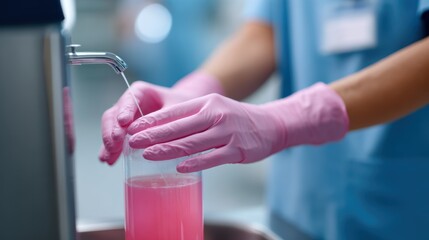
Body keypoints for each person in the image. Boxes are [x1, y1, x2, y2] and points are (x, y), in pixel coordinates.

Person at [99, 0, 429, 239]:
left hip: (401, 210)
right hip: (298, 207)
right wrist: (195, 90)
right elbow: (266, 30)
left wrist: (289, 119)